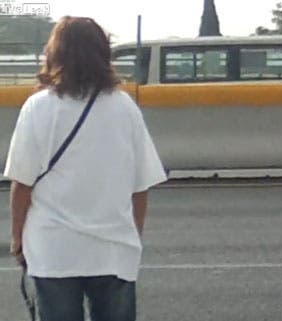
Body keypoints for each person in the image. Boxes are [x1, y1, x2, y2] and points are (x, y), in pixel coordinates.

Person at [4, 16, 166, 321]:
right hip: (113, 251)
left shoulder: (37, 108)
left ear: (55, 54)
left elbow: (22, 184)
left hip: (53, 250)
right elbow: (140, 186)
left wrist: (18, 239)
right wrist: (132, 236)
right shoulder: (124, 107)